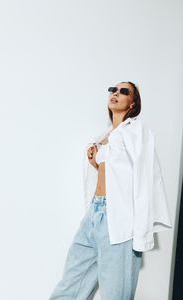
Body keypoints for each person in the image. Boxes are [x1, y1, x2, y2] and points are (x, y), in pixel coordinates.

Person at [49, 81, 172, 300]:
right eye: (113, 90)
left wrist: (141, 230)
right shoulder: (104, 136)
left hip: (120, 219)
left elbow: (145, 176)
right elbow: (115, 171)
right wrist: (96, 161)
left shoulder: (136, 130)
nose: (116, 93)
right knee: (70, 285)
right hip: (93, 215)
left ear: (132, 104)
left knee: (115, 294)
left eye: (124, 91)